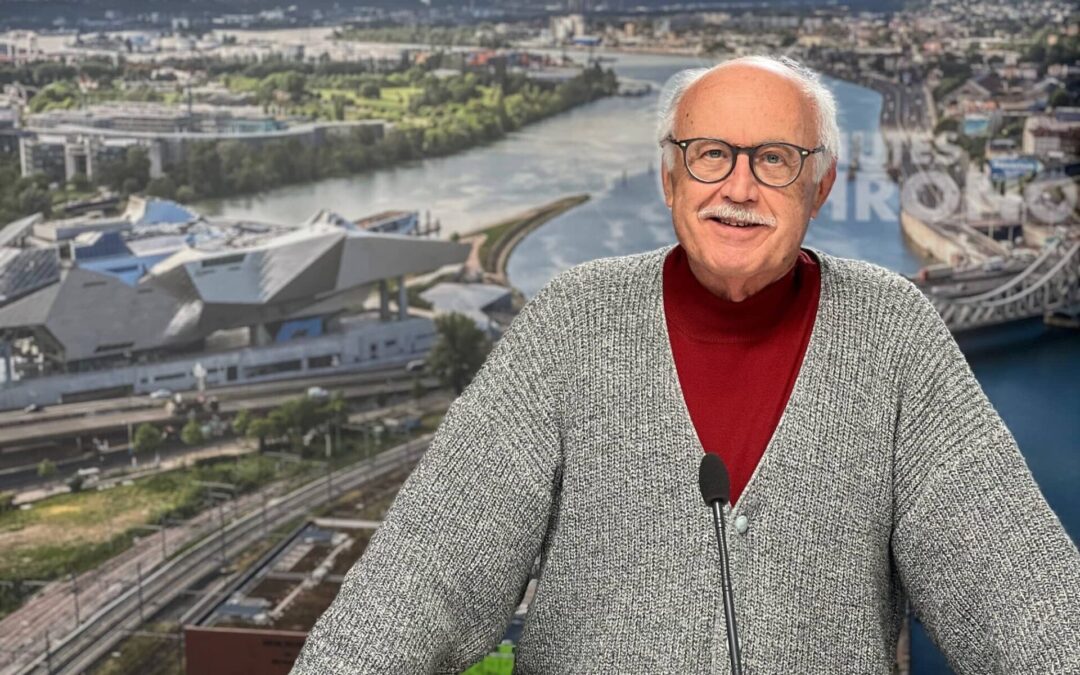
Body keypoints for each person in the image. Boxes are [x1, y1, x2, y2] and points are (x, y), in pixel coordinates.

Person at [292, 56, 1079, 674]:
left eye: (774, 159)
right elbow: (419, 580)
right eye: (710, 155)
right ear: (670, 177)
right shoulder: (573, 321)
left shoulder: (894, 332)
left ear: (822, 186)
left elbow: (1016, 590)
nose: (737, 187)